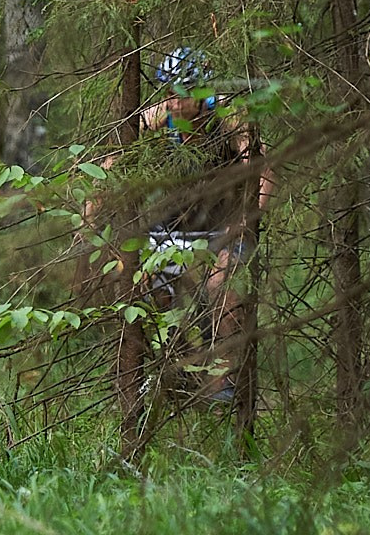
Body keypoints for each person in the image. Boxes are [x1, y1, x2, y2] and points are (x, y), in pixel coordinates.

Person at [113, 47, 272, 395]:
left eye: (182, 94)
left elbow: (264, 171)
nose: (174, 102)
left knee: (223, 291)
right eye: (168, 93)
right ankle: (181, 369)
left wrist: (247, 218)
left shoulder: (228, 116)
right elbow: (115, 159)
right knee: (143, 284)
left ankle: (224, 385)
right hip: (173, 227)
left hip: (225, 227)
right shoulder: (159, 117)